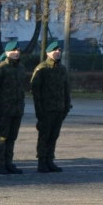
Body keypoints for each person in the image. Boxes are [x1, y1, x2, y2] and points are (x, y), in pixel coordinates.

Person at [31, 40, 72, 173]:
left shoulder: (62, 69)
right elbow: (36, 91)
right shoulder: (42, 68)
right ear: (48, 53)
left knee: (54, 136)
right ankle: (42, 161)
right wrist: (39, 111)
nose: (58, 52)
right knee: (44, 136)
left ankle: (50, 160)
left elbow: (66, 89)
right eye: (55, 50)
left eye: (59, 50)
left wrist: (66, 106)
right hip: (46, 109)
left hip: (59, 109)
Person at [0, 40, 27, 174]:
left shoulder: (21, 68)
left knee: (12, 137)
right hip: (3, 110)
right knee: (2, 138)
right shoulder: (0, 68)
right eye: (13, 51)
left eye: (18, 50)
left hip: (16, 109)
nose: (16, 53)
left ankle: (8, 162)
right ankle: (0, 164)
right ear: (7, 53)